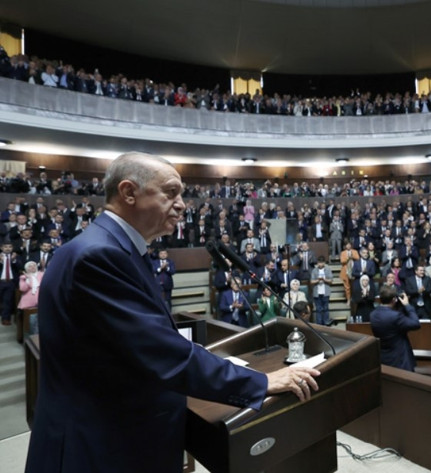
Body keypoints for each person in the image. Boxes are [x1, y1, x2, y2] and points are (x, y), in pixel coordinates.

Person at [25, 153, 319, 473]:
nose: (181, 204)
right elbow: (160, 352)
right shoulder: (99, 255)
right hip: (98, 448)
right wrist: (259, 383)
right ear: (129, 192)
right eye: (170, 192)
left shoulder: (109, 247)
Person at [370, 285, 420, 371]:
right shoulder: (396, 316)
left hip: (384, 359)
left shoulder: (373, 315)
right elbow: (416, 324)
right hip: (400, 360)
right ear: (394, 300)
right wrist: (407, 305)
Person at [310, 256, 332, 326]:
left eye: (322, 263)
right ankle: (319, 324)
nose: (320, 264)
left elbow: (331, 281)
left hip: (325, 292)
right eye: (319, 263)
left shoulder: (328, 270)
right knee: (318, 309)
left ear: (324, 263)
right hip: (317, 293)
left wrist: (324, 279)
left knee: (326, 309)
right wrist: (318, 280)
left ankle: (326, 323)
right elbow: (311, 281)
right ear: (317, 263)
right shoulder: (314, 270)